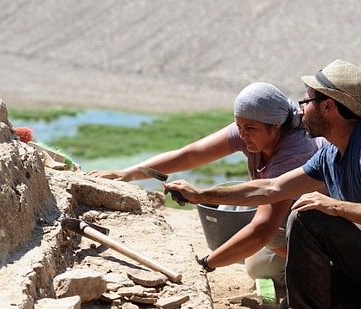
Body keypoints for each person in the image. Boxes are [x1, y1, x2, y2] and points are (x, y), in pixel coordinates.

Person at [165, 59, 361, 308]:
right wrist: (201, 194)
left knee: (305, 217)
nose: (299, 112)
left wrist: (336, 207)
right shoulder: (331, 152)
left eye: (305, 102)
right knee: (297, 293)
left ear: (328, 106)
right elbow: (271, 189)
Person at [89, 81, 326, 290]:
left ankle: (325, 269)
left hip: (321, 223)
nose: (242, 134)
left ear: (275, 126)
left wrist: (205, 264)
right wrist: (127, 174)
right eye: (238, 126)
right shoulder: (253, 128)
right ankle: (301, 266)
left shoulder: (294, 153)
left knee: (269, 233)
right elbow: (191, 155)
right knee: (257, 268)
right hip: (289, 213)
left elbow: (262, 229)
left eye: (249, 129)